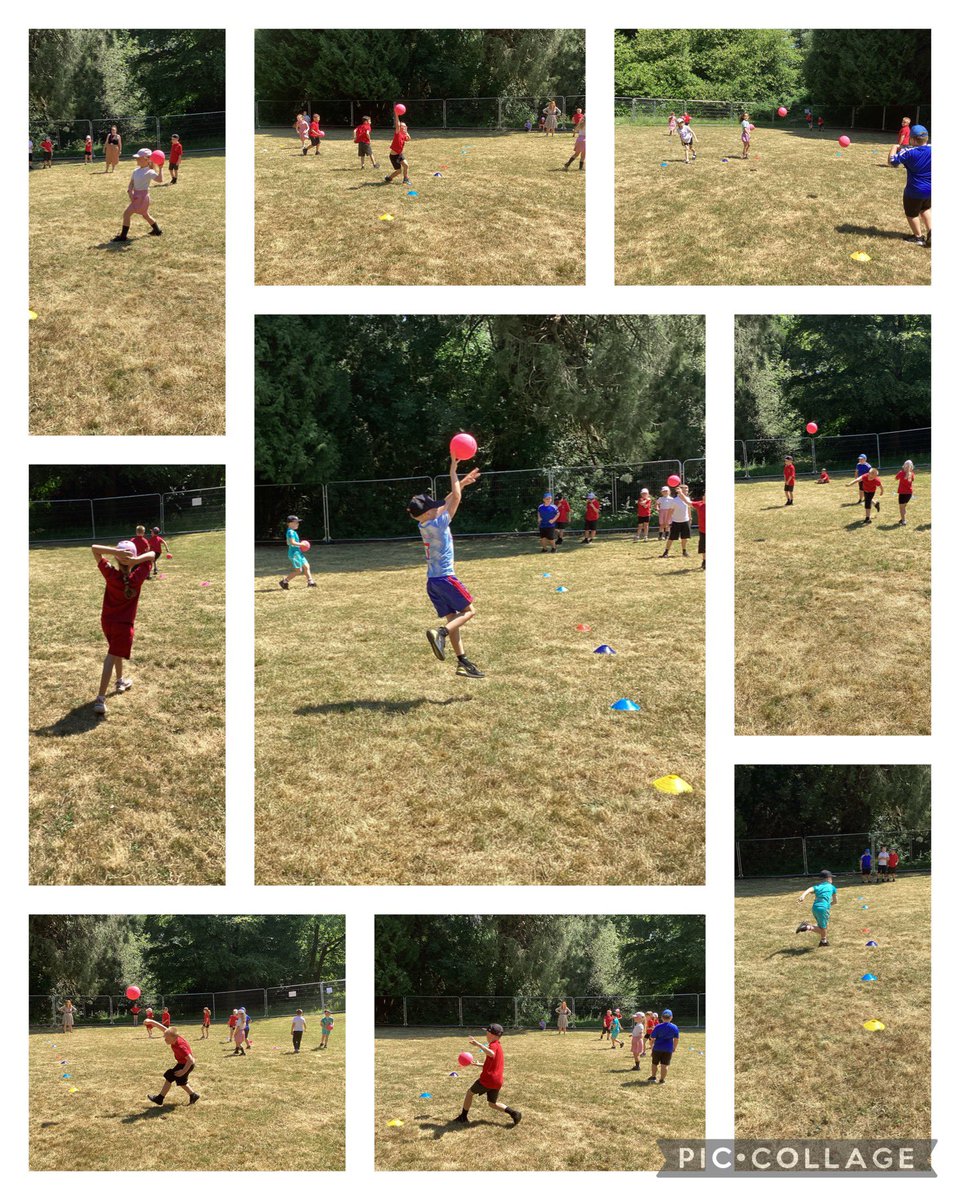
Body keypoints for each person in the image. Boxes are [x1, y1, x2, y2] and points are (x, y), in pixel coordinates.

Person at [407, 457, 484, 679]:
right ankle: (439, 633)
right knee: (469, 611)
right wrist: (453, 469)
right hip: (446, 578)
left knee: (453, 620)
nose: (436, 507)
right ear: (428, 512)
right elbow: (455, 498)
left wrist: (464, 482)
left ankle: (463, 662)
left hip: (432, 582)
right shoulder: (439, 523)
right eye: (432, 507)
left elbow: (446, 501)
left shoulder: (424, 523)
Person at [91, 540, 155, 715]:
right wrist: (135, 561)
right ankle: (100, 699)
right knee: (111, 657)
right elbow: (152, 555)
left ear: (118, 559)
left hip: (107, 622)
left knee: (115, 651)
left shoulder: (111, 574)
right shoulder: (138, 575)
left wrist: (115, 552)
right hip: (124, 626)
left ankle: (120, 681)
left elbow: (95, 549)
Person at [454, 1024, 522, 1126]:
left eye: (487, 1032)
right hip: (497, 1081)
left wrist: (478, 1044)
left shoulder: (493, 1045)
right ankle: (514, 1113)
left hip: (488, 1080)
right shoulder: (498, 1046)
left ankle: (463, 1117)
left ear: (492, 1034)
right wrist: (478, 1064)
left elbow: (491, 1053)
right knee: (492, 1104)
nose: (486, 1034)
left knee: (469, 1093)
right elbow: (492, 1062)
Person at [888, 124, 931, 247]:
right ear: (926, 138)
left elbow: (892, 162)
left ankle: (918, 237)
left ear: (912, 139)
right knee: (926, 209)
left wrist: (894, 147)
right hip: (930, 189)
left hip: (914, 190)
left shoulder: (909, 152)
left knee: (912, 214)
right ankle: (932, 232)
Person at [112, 148, 162, 242]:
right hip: (137, 197)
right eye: (137, 158)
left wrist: (161, 168)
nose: (137, 159)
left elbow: (160, 180)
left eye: (139, 158)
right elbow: (132, 182)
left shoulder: (149, 172)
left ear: (147, 159)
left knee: (127, 214)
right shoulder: (136, 170)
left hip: (142, 198)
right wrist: (130, 189)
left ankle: (123, 236)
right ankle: (157, 230)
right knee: (145, 215)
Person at [145, 1021, 201, 1106]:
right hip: (183, 1064)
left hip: (186, 1065)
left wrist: (183, 1071)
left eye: (166, 1038)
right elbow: (163, 1028)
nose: (165, 1039)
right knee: (181, 1081)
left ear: (173, 1038)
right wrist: (151, 1021)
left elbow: (191, 1060)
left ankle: (159, 1099)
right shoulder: (173, 1036)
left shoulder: (180, 1046)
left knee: (170, 1076)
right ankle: (193, 1095)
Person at [796, 868, 838, 947]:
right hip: (823, 909)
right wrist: (829, 905)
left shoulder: (818, 886)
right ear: (828, 878)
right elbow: (835, 901)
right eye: (831, 877)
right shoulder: (832, 887)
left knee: (822, 926)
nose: (832, 879)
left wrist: (803, 896)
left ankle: (823, 942)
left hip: (815, 908)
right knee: (823, 928)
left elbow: (810, 889)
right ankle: (806, 927)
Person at [279, 515, 316, 589]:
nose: (298, 524)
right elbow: (292, 542)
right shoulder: (290, 532)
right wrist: (302, 544)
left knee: (306, 566)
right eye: (296, 522)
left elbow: (288, 542)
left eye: (298, 522)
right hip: (294, 554)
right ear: (290, 523)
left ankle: (310, 582)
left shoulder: (292, 532)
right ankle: (284, 582)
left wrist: (299, 546)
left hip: (298, 552)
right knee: (299, 571)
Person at [647, 1009, 680, 1084]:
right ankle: (662, 1080)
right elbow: (676, 1039)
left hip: (657, 1048)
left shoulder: (658, 1026)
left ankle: (653, 1077)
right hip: (668, 1049)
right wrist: (674, 1047)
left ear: (662, 1017)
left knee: (654, 1063)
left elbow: (652, 1038)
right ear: (671, 1017)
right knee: (665, 1065)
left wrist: (652, 1046)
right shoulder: (674, 1027)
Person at [660, 484, 691, 559]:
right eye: (685, 489)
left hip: (685, 521)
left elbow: (689, 508)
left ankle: (684, 551)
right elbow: (670, 511)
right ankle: (666, 552)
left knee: (685, 538)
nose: (687, 491)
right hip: (676, 522)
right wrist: (667, 521)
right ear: (679, 490)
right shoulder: (674, 500)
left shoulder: (687, 499)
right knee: (671, 538)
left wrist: (690, 518)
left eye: (687, 489)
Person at [384, 108, 411, 185]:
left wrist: (407, 133)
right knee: (399, 171)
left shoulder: (404, 135)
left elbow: (409, 139)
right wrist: (396, 114)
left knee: (406, 165)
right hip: (393, 156)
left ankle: (405, 179)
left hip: (400, 154)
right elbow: (397, 124)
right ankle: (389, 178)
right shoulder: (398, 134)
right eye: (403, 127)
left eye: (405, 127)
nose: (404, 127)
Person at [688, 489, 706, 571]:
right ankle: (705, 561)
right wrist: (680, 494)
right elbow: (688, 503)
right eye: (705, 495)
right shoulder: (699, 504)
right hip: (703, 531)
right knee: (703, 547)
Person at [895, 460, 916, 525]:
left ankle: (903, 521)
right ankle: (902, 518)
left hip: (902, 493)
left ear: (904, 466)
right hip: (909, 494)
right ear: (911, 467)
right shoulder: (912, 474)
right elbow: (912, 480)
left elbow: (896, 478)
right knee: (903, 506)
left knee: (902, 508)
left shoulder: (901, 473)